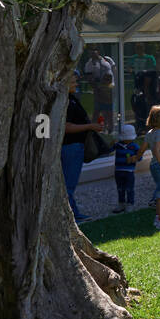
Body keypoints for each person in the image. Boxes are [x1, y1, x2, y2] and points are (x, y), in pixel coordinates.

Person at [62, 72, 103, 222]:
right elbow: (66, 127)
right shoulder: (65, 101)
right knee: (68, 184)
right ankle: (71, 216)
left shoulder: (71, 99)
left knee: (68, 184)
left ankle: (73, 213)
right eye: (73, 82)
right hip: (70, 147)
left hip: (73, 146)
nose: (76, 84)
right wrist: (90, 126)